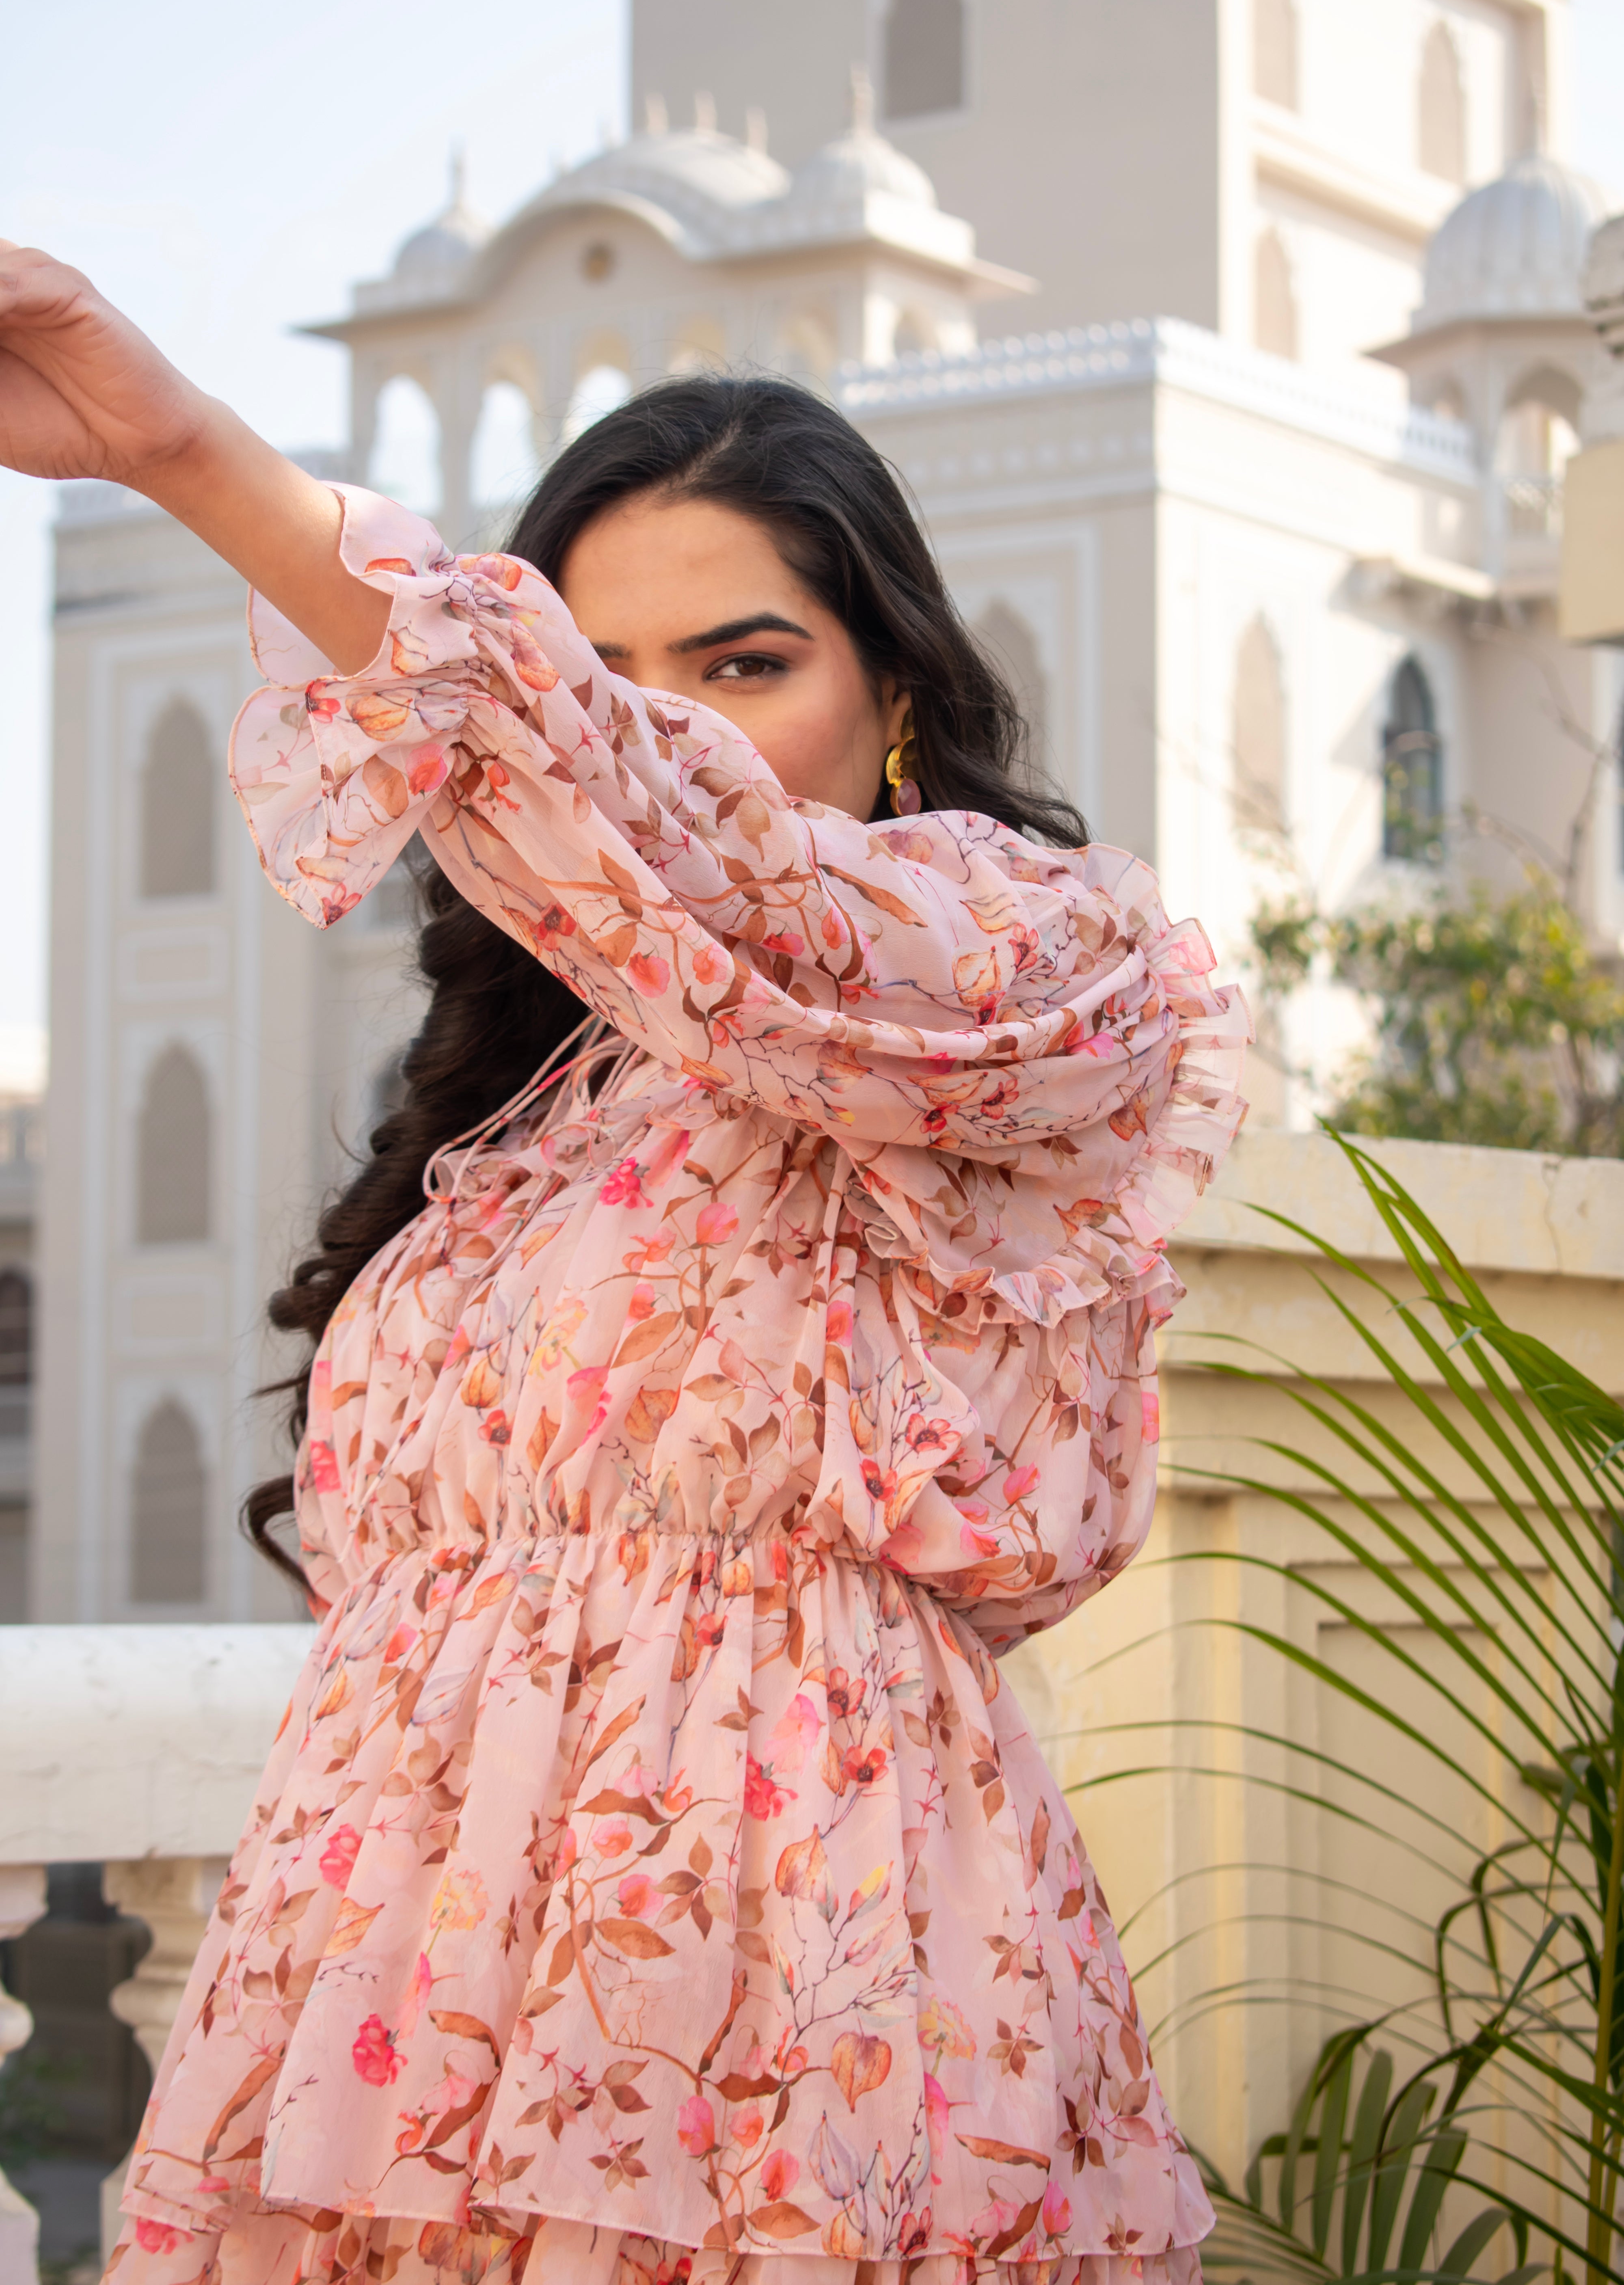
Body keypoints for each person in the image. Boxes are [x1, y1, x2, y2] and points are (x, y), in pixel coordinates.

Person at [0, 243, 1248, 2285]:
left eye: (744, 666)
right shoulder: (527, 1110)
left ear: (897, 693)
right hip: (391, 1992)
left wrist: (176, 449)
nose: (668, 739)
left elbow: (703, 865)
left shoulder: (1013, 981)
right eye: (609, 676)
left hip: (782, 1965)